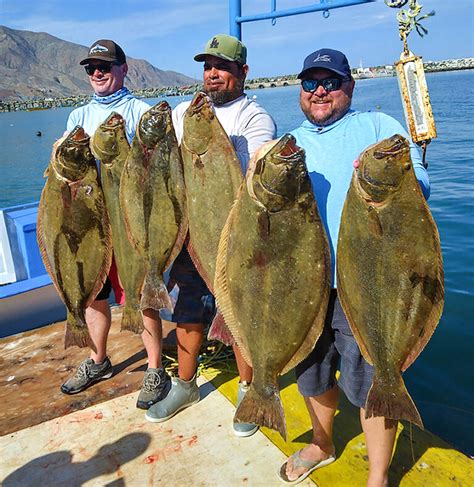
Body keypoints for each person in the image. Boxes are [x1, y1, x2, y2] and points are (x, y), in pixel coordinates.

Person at [277, 48, 430, 486]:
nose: (320, 90)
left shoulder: (378, 128)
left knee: (374, 379)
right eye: (310, 83)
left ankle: (377, 476)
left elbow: (419, 179)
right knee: (311, 371)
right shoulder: (290, 145)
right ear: (301, 91)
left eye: (330, 81)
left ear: (350, 87)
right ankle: (321, 443)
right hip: (305, 284)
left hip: (367, 283)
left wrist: (397, 179)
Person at [145, 34, 277, 437]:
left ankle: (248, 390)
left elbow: (257, 166)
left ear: (243, 73)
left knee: (238, 314)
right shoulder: (186, 111)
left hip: (234, 236)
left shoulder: (255, 118)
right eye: (207, 67)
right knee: (188, 311)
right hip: (189, 232)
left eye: (222, 67)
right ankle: (185, 386)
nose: (213, 75)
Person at [60, 39, 170, 412]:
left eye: (104, 66)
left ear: (123, 69)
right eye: (91, 68)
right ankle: (98, 360)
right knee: (93, 294)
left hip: (130, 222)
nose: (97, 73)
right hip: (91, 224)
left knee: (141, 293)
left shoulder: (142, 112)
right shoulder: (77, 117)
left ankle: (155, 368)